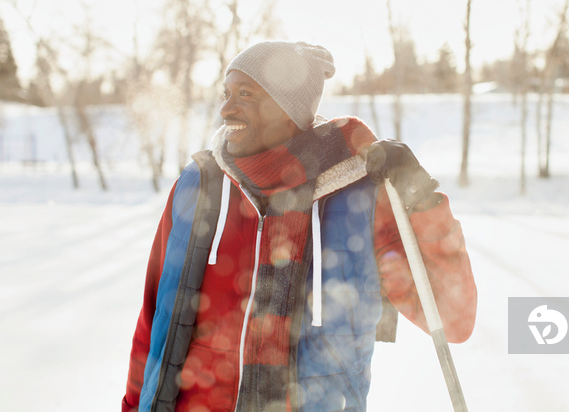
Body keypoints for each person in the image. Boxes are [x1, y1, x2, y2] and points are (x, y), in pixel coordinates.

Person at [123, 41, 477, 412]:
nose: (226, 108)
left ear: (287, 110)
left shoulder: (358, 200)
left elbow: (454, 318)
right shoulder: (199, 186)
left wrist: (422, 199)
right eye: (226, 93)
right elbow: (153, 324)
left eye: (246, 93)